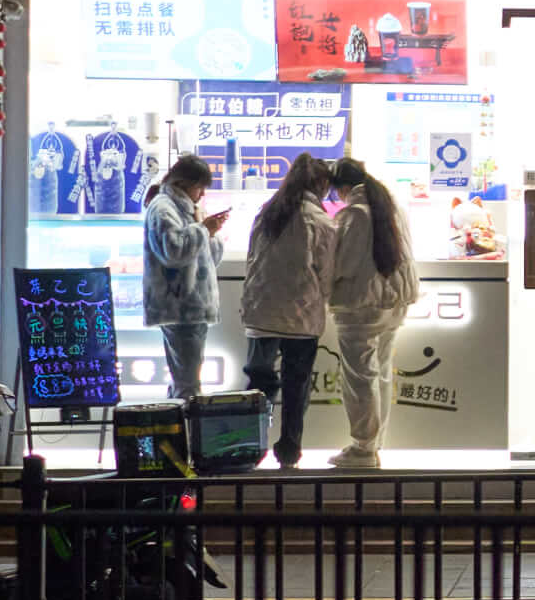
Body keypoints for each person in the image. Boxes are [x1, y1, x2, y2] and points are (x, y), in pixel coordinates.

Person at [238, 152, 336, 468]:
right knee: (296, 387)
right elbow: (327, 273)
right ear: (321, 185)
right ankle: (289, 453)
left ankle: (249, 449)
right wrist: (322, 299)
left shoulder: (268, 212)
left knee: (258, 385)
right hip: (301, 318)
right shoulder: (319, 220)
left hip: (262, 314)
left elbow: (251, 260)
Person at [324, 156, 420, 470]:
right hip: (394, 301)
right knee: (381, 372)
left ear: (342, 188)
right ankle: (374, 444)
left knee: (360, 378)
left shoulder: (355, 213)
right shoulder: (391, 205)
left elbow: (345, 264)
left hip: (361, 305)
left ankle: (363, 448)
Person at [141, 154, 222, 402]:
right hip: (180, 308)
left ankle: (179, 420)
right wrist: (203, 229)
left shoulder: (189, 209)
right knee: (188, 382)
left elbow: (209, 257)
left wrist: (209, 232)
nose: (202, 194)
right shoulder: (163, 208)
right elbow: (173, 251)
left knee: (185, 378)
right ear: (184, 183)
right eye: (200, 187)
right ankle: (185, 423)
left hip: (191, 309)